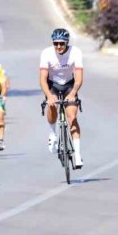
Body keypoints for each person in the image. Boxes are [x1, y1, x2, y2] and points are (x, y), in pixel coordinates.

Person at [38, 28, 84, 168]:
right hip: (53, 84)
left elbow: (79, 78)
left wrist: (73, 93)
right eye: (56, 43)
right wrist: (49, 96)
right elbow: (42, 79)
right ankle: (52, 133)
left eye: (61, 43)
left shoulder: (75, 52)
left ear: (67, 43)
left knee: (72, 117)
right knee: (52, 106)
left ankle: (77, 155)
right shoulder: (46, 53)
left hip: (69, 85)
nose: (58, 46)